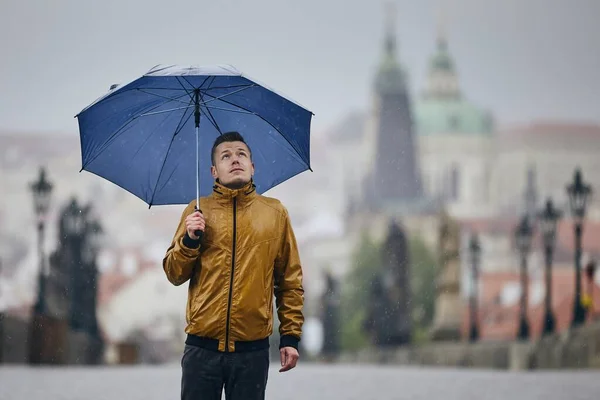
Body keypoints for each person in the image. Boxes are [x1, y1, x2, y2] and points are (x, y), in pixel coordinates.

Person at [162, 131, 304, 400]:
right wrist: (189, 241)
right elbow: (173, 273)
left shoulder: (275, 214)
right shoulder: (197, 211)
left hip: (252, 350)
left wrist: (290, 337)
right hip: (201, 348)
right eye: (225, 156)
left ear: (253, 166)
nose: (234, 159)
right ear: (214, 171)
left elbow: (290, 281)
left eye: (241, 154)